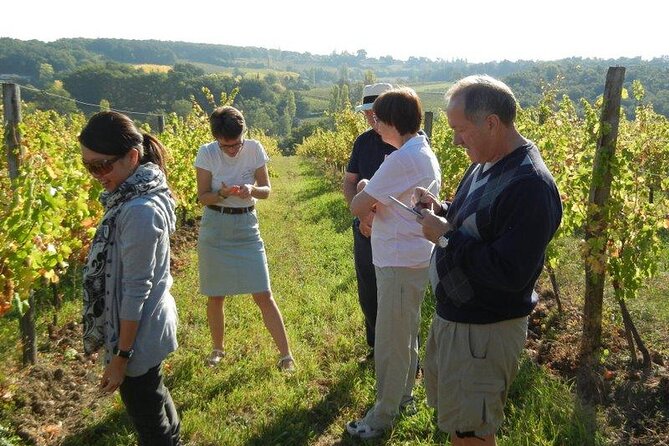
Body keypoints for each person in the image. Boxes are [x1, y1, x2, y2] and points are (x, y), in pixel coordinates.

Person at [415, 75, 562, 445]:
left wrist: (445, 236)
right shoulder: (487, 161)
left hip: (483, 333)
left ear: (491, 123)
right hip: (459, 322)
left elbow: (510, 272)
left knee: (472, 434)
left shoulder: (529, 184)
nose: (455, 140)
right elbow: (479, 223)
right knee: (460, 425)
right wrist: (443, 210)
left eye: (460, 129)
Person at [80, 111, 181, 445]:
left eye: (101, 165)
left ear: (132, 157)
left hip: (138, 335)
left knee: (149, 422)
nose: (96, 175)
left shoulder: (138, 210)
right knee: (154, 394)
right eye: (88, 166)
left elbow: (135, 290)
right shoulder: (138, 193)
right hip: (149, 323)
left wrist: (121, 358)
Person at [346, 87, 441, 439]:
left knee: (390, 340)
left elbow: (358, 206)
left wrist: (368, 185)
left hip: (399, 260)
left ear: (392, 122)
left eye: (378, 120)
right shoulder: (419, 151)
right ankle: (403, 398)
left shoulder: (401, 159)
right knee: (405, 333)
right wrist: (374, 188)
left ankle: (382, 416)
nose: (374, 126)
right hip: (410, 257)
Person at [194, 106, 295, 371]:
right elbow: (202, 196)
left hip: (246, 227)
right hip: (215, 227)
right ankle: (218, 349)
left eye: (237, 144)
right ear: (216, 139)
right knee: (216, 295)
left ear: (244, 135)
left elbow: (266, 191)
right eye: (226, 146)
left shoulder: (254, 148)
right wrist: (223, 194)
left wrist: (251, 189)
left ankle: (286, 354)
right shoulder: (206, 153)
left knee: (263, 292)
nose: (233, 150)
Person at [343, 82, 396, 361]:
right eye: (367, 114)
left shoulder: (409, 143)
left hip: (397, 232)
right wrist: (362, 213)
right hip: (365, 230)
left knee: (398, 296)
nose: (372, 120)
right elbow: (350, 181)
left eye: (376, 113)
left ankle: (405, 358)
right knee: (369, 290)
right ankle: (377, 348)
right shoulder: (363, 142)